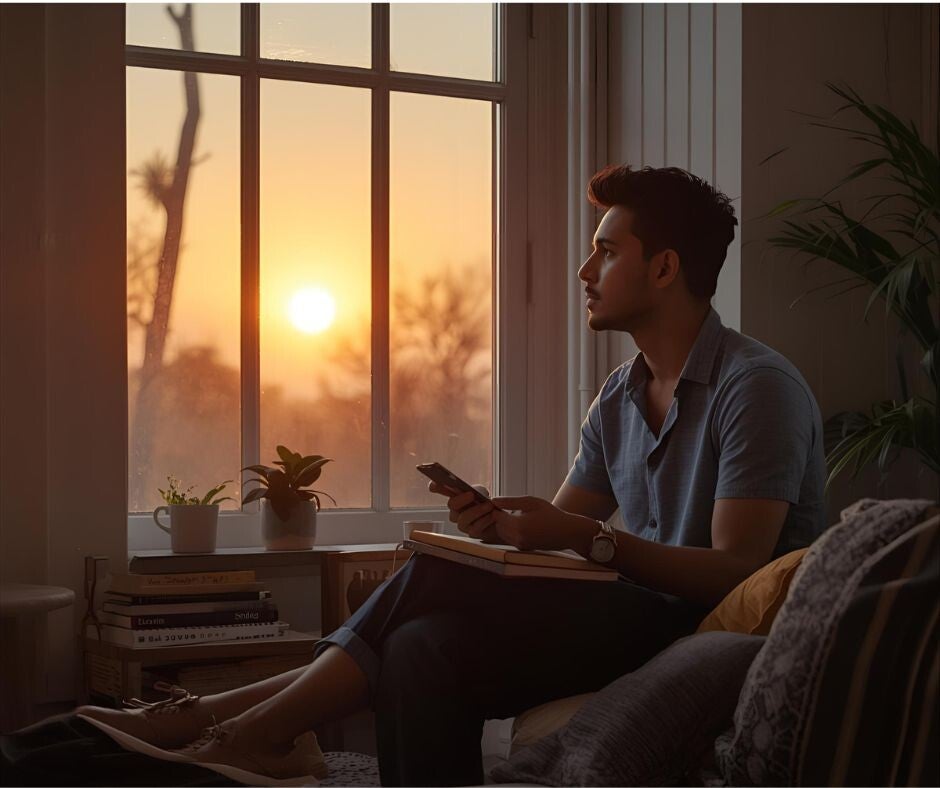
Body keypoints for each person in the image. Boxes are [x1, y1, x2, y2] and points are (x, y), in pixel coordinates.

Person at [78, 165, 826, 786]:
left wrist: (588, 539)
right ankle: (249, 726)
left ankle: (239, 723)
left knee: (433, 599)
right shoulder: (620, 396)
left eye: (607, 251)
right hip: (628, 615)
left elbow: (734, 570)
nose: (584, 269)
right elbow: (553, 540)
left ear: (664, 267)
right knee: (420, 643)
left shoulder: (754, 387)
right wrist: (502, 532)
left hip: (700, 635)